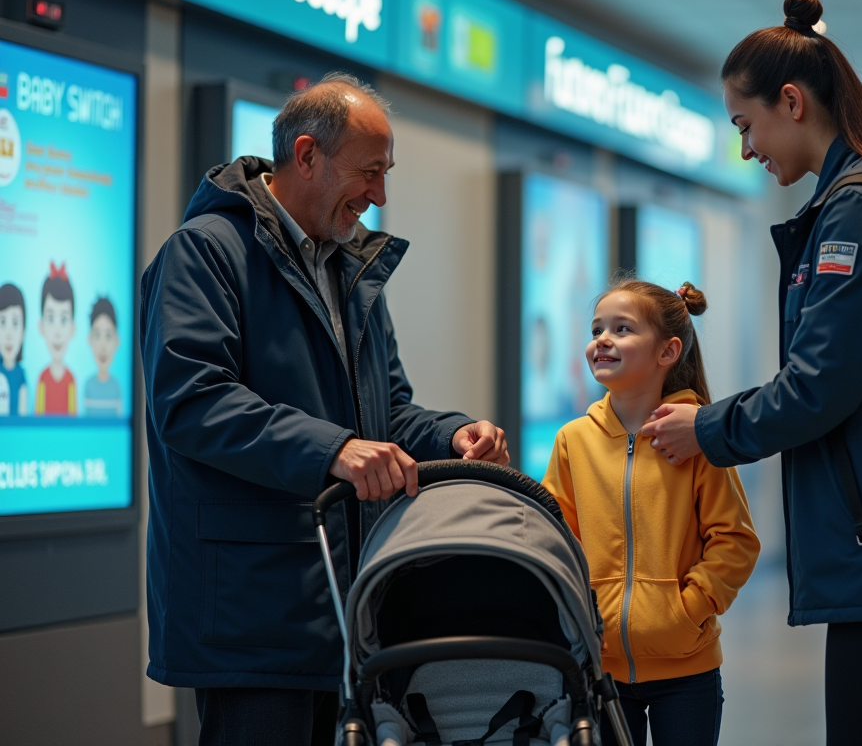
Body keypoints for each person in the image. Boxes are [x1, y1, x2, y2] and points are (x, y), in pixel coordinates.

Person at [640, 0, 862, 746]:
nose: (747, 149)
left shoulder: (859, 211)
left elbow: (820, 386)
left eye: (747, 125)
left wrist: (708, 427)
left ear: (792, 102)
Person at [141, 72, 510, 746]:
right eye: (370, 172)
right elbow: (191, 400)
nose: (380, 195)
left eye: (385, 173)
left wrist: (457, 434)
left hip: (343, 614)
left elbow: (387, 413)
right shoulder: (203, 254)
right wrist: (331, 450)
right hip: (252, 622)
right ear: (307, 155)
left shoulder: (350, 270)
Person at [542, 279, 760, 746]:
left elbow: (735, 541)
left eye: (622, 329)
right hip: (598, 669)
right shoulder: (573, 441)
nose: (603, 339)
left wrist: (688, 610)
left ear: (667, 352)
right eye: (597, 328)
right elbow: (554, 540)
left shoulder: (698, 437)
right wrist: (577, 616)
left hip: (687, 670)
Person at [35, 263, 76, 416]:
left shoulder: (71, 380)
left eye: (64, 319)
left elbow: (73, 418)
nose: (57, 331)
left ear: (72, 328)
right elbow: (37, 418)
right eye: (50, 318)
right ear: (41, 326)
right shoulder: (43, 379)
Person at [84, 297, 121, 417]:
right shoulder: (88, 386)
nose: (103, 346)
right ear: (89, 340)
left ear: (117, 341)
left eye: (108, 336)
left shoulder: (116, 387)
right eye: (97, 335)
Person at [0, 282, 28, 416]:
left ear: (23, 331)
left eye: (15, 323)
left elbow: (22, 415)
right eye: (2, 322)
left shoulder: (21, 375)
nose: (9, 334)